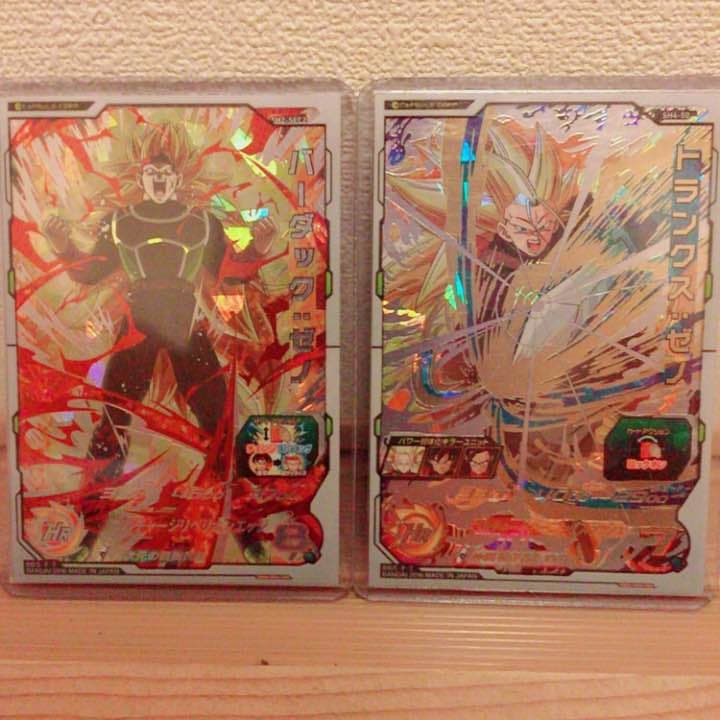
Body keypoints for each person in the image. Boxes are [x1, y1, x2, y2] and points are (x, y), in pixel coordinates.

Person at [43, 123, 276, 480]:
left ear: (178, 178)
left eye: (166, 174)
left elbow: (228, 273)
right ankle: (93, 503)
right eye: (152, 174)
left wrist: (259, 247)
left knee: (215, 411)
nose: (159, 181)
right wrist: (63, 246)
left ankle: (236, 491)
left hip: (183, 317)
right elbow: (90, 272)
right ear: (141, 177)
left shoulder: (202, 222)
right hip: (139, 318)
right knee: (115, 413)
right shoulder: (120, 222)